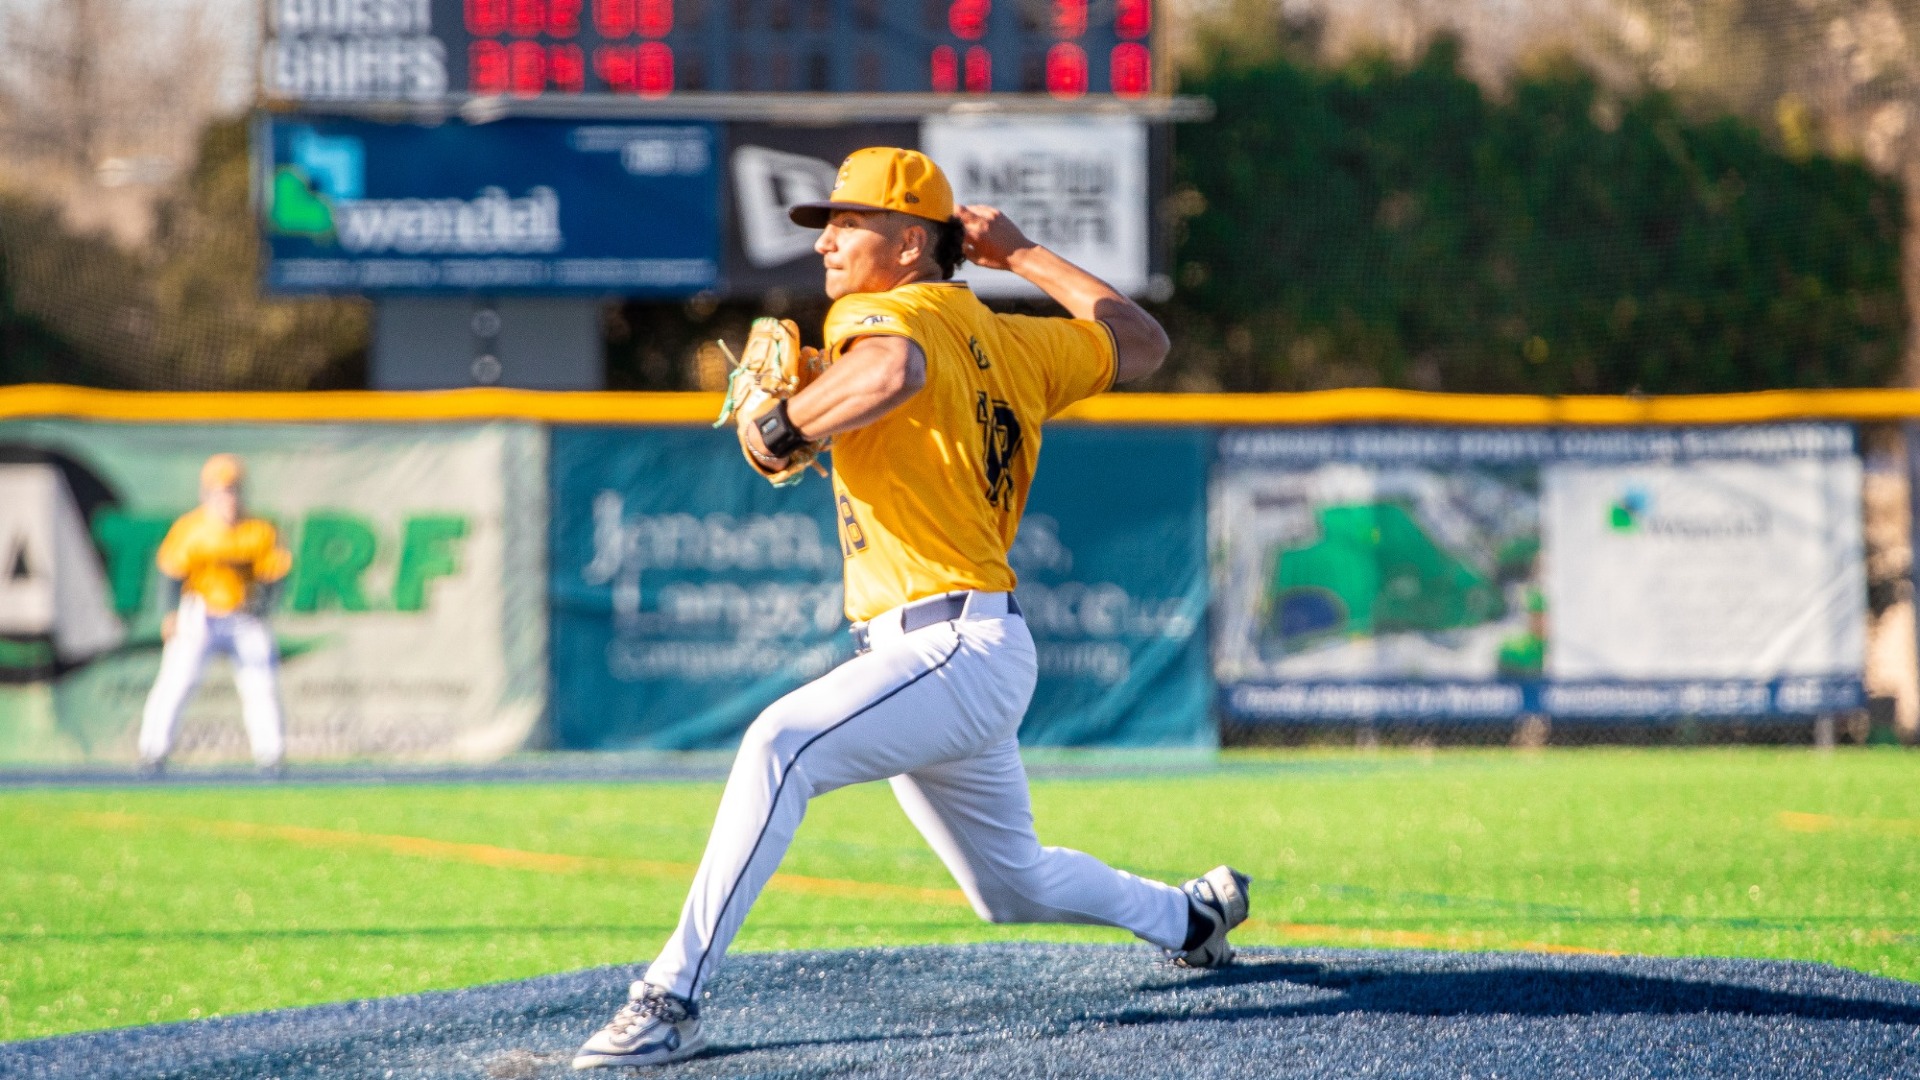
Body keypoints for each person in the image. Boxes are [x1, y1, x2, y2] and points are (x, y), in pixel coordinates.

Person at [573, 148, 1249, 1070]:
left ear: (909, 240)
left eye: (847, 223)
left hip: (950, 647)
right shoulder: (1013, 339)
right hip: (965, 652)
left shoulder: (879, 313)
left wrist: (784, 423)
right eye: (827, 226)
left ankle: (668, 997)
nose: (827, 244)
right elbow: (1142, 341)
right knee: (1009, 886)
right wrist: (1023, 256)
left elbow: (892, 372)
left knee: (779, 744)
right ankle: (1190, 916)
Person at [136, 453, 293, 777]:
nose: (227, 497)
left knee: (260, 684)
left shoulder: (259, 529)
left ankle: (271, 756)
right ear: (206, 494)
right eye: (220, 491)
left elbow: (276, 573)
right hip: (199, 614)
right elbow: (172, 572)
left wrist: (262, 607)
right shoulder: (191, 528)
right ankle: (152, 751)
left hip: (242, 615)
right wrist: (171, 613)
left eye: (232, 490)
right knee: (176, 682)